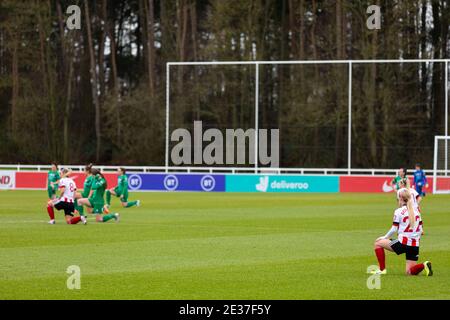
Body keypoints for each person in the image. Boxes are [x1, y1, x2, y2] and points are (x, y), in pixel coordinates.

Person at [372, 188, 432, 276]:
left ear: (400, 198)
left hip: (402, 243)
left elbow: (394, 229)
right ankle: (424, 265)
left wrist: (384, 237)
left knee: (377, 243)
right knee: (409, 272)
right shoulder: (416, 212)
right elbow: (420, 230)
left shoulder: (398, 211)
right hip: (414, 245)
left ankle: (382, 270)